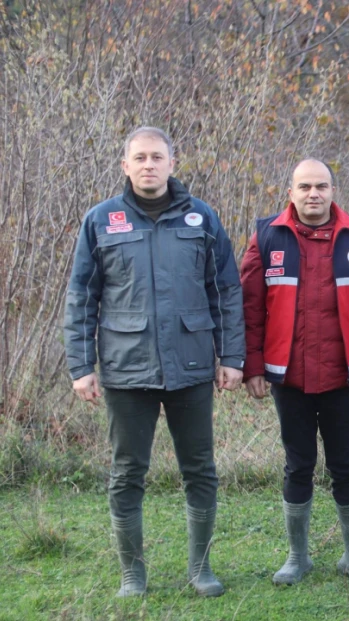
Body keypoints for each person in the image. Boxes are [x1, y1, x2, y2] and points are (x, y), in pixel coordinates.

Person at [64, 126, 244, 597]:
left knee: (200, 469)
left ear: (171, 163)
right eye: (140, 157)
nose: (149, 165)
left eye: (157, 157)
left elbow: (224, 289)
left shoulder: (202, 218)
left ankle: (201, 569)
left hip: (191, 366)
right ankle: (132, 574)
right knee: (127, 472)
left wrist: (232, 356)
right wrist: (81, 366)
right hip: (127, 369)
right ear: (125, 166)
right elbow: (82, 297)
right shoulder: (101, 221)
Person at [240, 159, 349, 587]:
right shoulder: (266, 235)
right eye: (305, 186)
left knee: (345, 465)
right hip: (287, 377)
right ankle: (298, 558)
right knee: (298, 465)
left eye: (321, 186)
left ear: (333, 190)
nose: (314, 194)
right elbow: (250, 310)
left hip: (342, 378)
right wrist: (251, 365)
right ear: (290, 191)